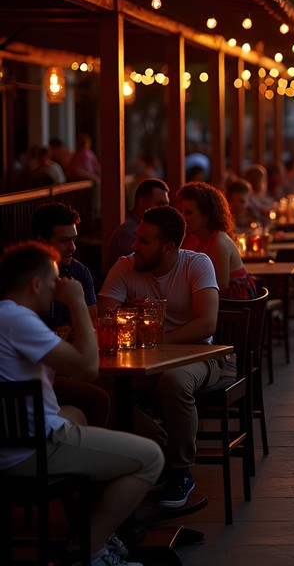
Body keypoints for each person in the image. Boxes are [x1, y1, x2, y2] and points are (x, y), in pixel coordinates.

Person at [1, 241, 164, 566]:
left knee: (75, 412)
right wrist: (77, 303)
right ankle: (88, 548)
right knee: (151, 457)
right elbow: (89, 369)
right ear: (35, 284)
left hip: (10, 442)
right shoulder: (18, 320)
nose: (56, 289)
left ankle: (87, 527)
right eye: (53, 282)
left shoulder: (6, 316)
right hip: (31, 451)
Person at [98, 205, 220, 509]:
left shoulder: (197, 264)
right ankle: (157, 449)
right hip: (140, 362)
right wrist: (130, 314)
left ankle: (179, 471)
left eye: (143, 241)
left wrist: (160, 340)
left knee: (174, 381)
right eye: (136, 237)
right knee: (96, 384)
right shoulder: (125, 266)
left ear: (168, 247)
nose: (134, 246)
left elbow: (207, 323)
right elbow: (102, 316)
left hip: (198, 355)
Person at [30, 202, 110, 430]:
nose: (73, 247)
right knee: (99, 396)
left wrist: (64, 332)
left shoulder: (78, 272)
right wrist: (69, 328)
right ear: (41, 243)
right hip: (41, 372)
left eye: (74, 239)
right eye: (64, 241)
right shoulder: (25, 280)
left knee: (105, 389)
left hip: (68, 364)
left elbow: (90, 322)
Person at [177, 181, 258, 301]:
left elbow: (220, 289)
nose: (182, 217)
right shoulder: (192, 238)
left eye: (188, 212)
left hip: (235, 308)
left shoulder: (218, 241)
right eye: (181, 211)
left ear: (206, 216)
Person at [104, 177, 170, 274]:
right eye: (160, 204)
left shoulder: (142, 230)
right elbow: (145, 272)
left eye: (167, 206)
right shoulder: (128, 233)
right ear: (143, 202)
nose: (165, 211)